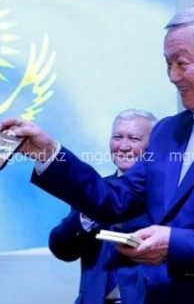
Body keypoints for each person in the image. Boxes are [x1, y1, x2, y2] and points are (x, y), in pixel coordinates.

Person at [2, 1, 194, 303]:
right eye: (168, 64)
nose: (172, 76)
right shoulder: (168, 131)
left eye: (182, 63)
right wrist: (49, 153)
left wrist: (175, 244)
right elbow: (115, 200)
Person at [48, 109, 156, 304]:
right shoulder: (94, 189)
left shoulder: (165, 193)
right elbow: (62, 249)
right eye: (117, 137)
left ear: (153, 144)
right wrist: (86, 215)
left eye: (134, 138)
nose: (123, 146)